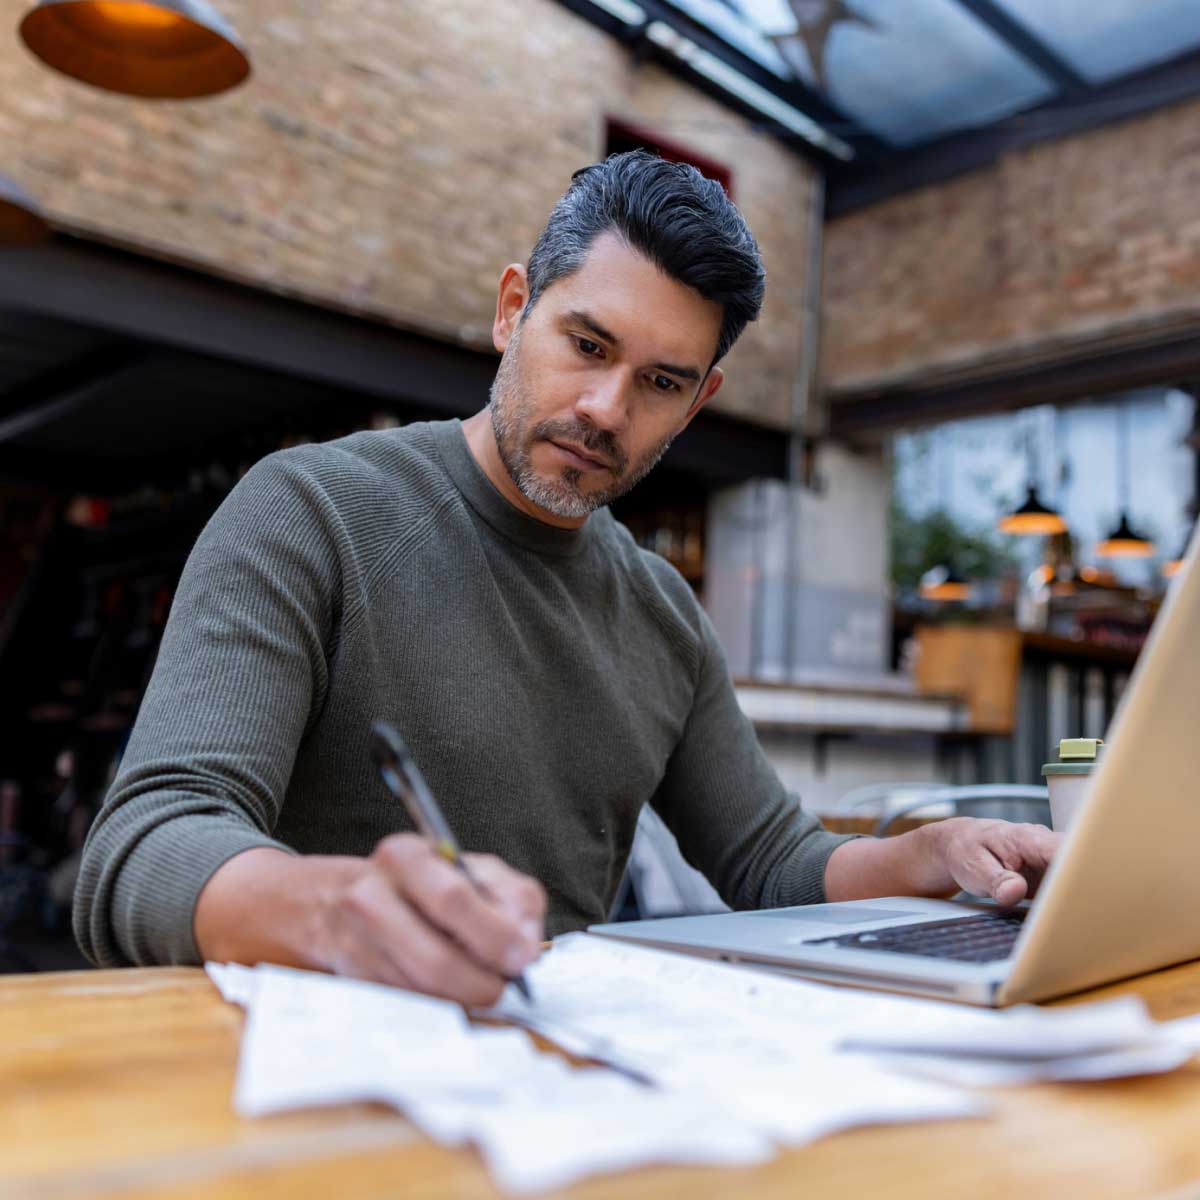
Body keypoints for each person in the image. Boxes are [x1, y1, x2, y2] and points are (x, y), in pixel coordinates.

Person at [73, 152, 1061, 1006]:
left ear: (697, 403)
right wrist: (335, 910)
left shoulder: (663, 614)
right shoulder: (312, 512)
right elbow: (146, 845)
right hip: (301, 1073)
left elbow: (772, 861)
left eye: (660, 383)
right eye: (587, 345)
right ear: (514, 309)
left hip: (552, 1079)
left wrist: (928, 853)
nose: (605, 408)